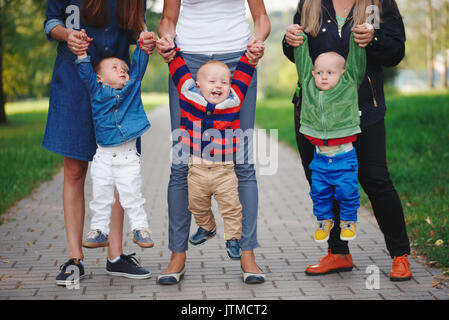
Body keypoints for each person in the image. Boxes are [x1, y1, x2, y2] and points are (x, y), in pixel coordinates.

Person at [283, 0, 412, 281]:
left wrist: (373, 38)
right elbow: (297, 53)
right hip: (316, 116)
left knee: (376, 179)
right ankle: (338, 253)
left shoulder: (374, 5)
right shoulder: (311, 3)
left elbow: (395, 51)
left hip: (363, 110)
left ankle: (400, 255)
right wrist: (289, 40)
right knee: (324, 181)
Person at [156, 0, 270, 285]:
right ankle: (177, 255)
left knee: (242, 162)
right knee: (182, 163)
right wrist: (166, 40)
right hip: (188, 60)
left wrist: (257, 43)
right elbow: (168, 18)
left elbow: (261, 18)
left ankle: (248, 254)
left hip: (238, 59)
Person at [43, 0, 156, 286]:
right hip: (74, 80)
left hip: (116, 89)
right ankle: (75, 259)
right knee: (74, 171)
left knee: (122, 169)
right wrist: (67, 35)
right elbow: (50, 22)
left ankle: (116, 257)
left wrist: (144, 38)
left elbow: (133, 31)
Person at [163, 44, 260, 263]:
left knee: (231, 207)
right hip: (196, 171)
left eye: (224, 83)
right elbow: (179, 73)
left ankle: (233, 239)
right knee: (195, 204)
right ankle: (207, 227)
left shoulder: (233, 103)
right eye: (212, 82)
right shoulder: (189, 97)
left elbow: (243, 77)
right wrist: (173, 55)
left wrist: (250, 59)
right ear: (198, 85)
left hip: (225, 172)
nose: (219, 86)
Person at [75, 28, 154, 260]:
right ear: (99, 77)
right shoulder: (96, 91)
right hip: (103, 157)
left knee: (131, 194)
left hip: (128, 156)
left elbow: (138, 68)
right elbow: (85, 71)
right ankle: (99, 230)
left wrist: (142, 45)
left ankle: (141, 228)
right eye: (115, 68)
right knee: (101, 195)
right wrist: (81, 53)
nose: (122, 71)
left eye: (124, 69)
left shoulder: (131, 89)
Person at [294, 29, 367, 243]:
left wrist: (357, 41)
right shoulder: (309, 86)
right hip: (320, 158)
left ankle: (348, 221)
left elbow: (356, 62)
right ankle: (324, 220)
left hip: (344, 157)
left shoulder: (349, 83)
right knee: (319, 191)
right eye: (319, 72)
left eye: (330, 72)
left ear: (343, 74)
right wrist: (300, 41)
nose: (323, 76)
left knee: (347, 191)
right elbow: (303, 64)